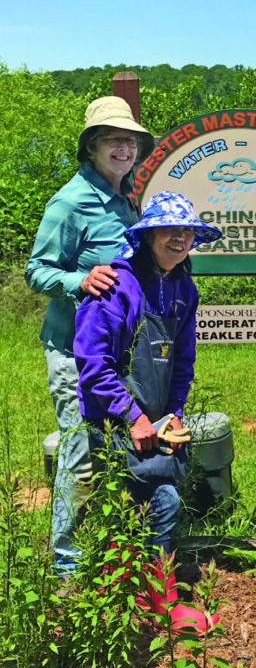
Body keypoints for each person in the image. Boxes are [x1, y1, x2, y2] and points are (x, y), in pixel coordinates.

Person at [73, 190, 222, 634]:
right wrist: (132, 416)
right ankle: (156, 601)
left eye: (187, 231)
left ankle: (133, 599)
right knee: (150, 503)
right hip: (113, 420)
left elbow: (183, 360)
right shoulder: (116, 287)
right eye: (169, 230)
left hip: (155, 423)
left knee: (149, 504)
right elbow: (93, 365)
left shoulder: (182, 288)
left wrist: (172, 412)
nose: (179, 238)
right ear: (147, 235)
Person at [25, 96, 155, 574]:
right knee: (79, 454)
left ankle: (109, 550)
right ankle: (67, 568)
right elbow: (36, 271)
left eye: (130, 140)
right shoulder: (71, 201)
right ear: (92, 147)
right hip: (72, 352)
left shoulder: (125, 199)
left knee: (112, 451)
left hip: (117, 354)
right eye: (113, 140)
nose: (123, 148)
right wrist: (78, 281)